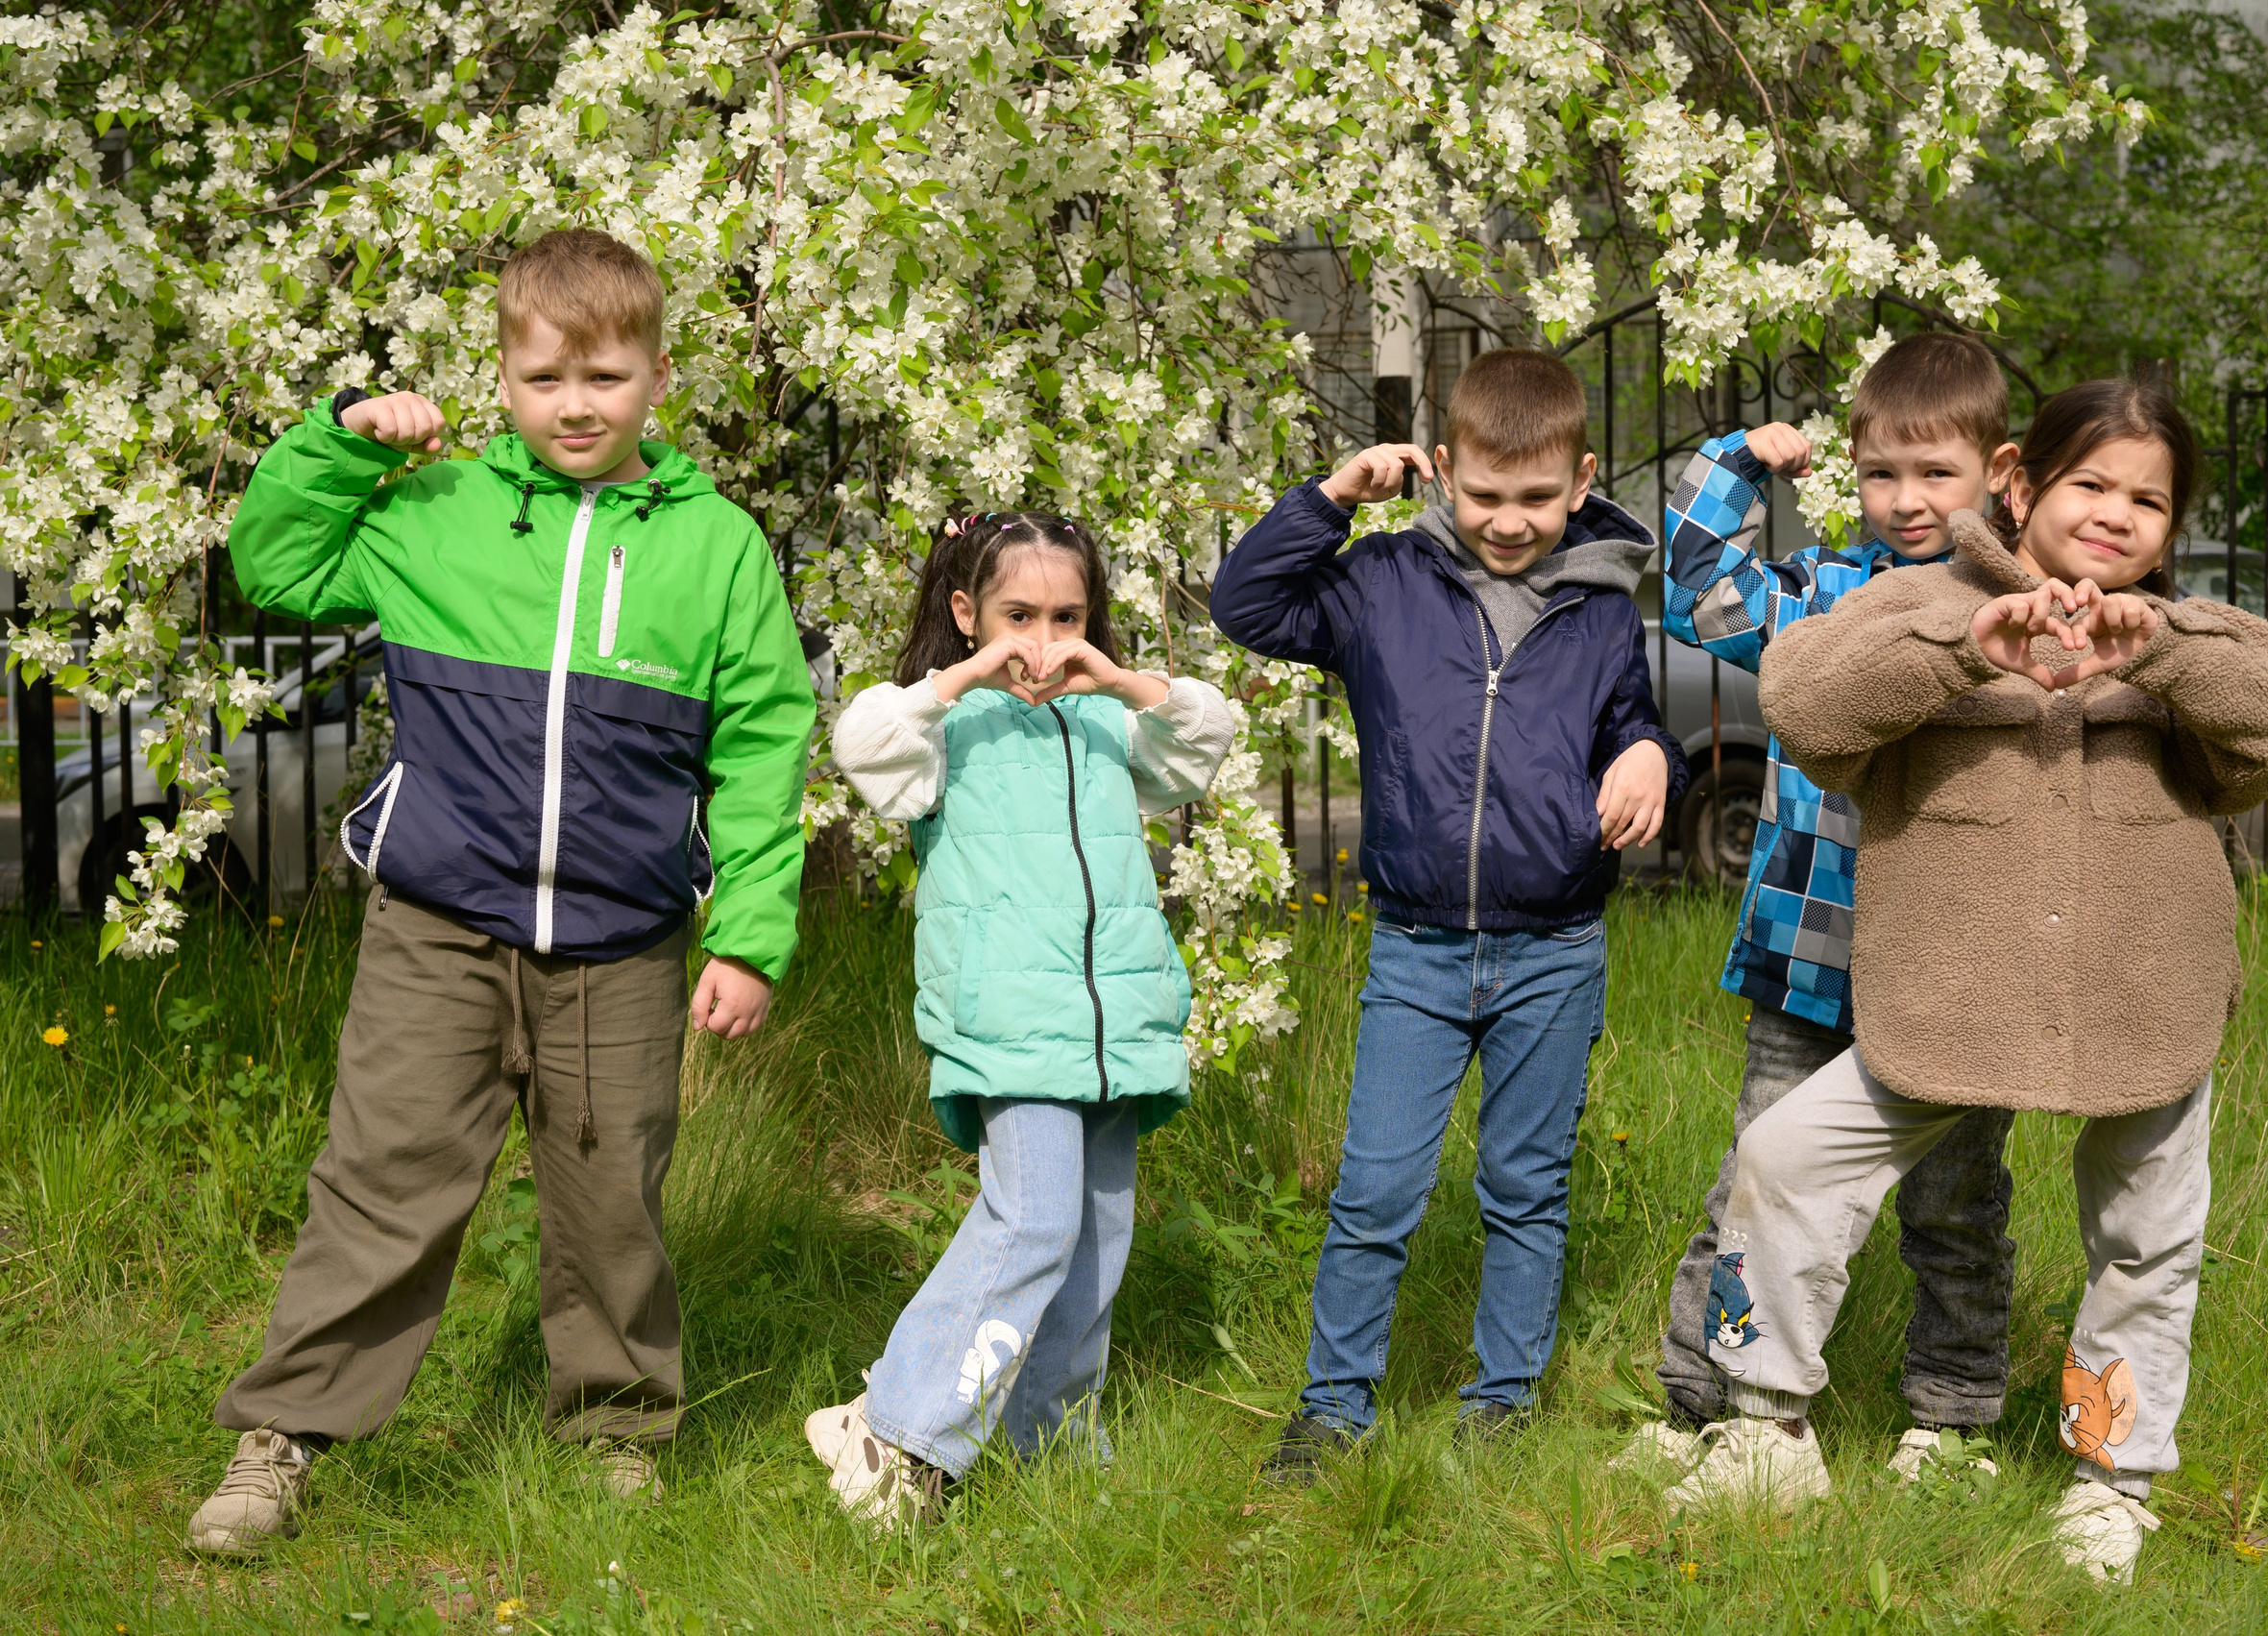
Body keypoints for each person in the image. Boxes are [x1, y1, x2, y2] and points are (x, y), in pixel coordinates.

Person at [186, 229, 817, 1553]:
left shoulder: (719, 550)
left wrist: (749, 935)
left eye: (604, 376)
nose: (574, 405)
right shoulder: (433, 508)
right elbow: (274, 564)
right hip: (436, 925)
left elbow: (762, 748)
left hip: (623, 941)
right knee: (383, 1176)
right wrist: (347, 438)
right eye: (542, 378)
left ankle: (614, 1430)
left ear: (657, 374)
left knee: (613, 1199)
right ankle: (286, 1433)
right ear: (503, 378)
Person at [1673, 379, 2268, 1587]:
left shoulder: (2187, 629)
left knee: (2145, 1240)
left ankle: (2109, 1479)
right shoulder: (1915, 599)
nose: (2117, 515)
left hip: (2143, 995)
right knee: (1784, 1160)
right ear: (2021, 481)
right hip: (1944, 996)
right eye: (2091, 484)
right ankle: (1765, 1425)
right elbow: (1806, 705)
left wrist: (2163, 652)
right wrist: (1966, 649)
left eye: (2149, 500)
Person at [1209, 348, 1688, 1475]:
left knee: (1525, 1187)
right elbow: (1246, 604)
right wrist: (1330, 499)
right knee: (1376, 1186)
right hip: (1417, 950)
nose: (1508, 520)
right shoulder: (1379, 585)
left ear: (1579, 482)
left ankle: (1502, 1403)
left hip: (1554, 949)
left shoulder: (1605, 606)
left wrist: (1650, 756)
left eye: (1534, 498)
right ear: (1439, 473)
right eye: (1482, 495)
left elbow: (1632, 719)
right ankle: (1332, 1408)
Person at [1634, 332, 2028, 1482]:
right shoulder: (1817, 598)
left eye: (1935, 473)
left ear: (1997, 473)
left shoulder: (2016, 608)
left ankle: (1949, 1420)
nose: (1906, 501)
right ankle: (1702, 1402)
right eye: (1879, 474)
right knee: (1755, 1179)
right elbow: (1698, 599)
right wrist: (1736, 461)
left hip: (1956, 971)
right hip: (1812, 959)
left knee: (1954, 1206)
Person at [807, 512, 1234, 1526]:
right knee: (1034, 1216)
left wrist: (1117, 677)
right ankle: (899, 1430)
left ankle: (1053, 1444)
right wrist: (967, 676)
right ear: (965, 612)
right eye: (1015, 615)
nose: (1041, 640)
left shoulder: (1104, 717)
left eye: (1066, 615)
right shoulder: (941, 729)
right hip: (1010, 1018)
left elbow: (1205, 736)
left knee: (1092, 1243)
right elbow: (861, 740)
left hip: (1115, 1022)